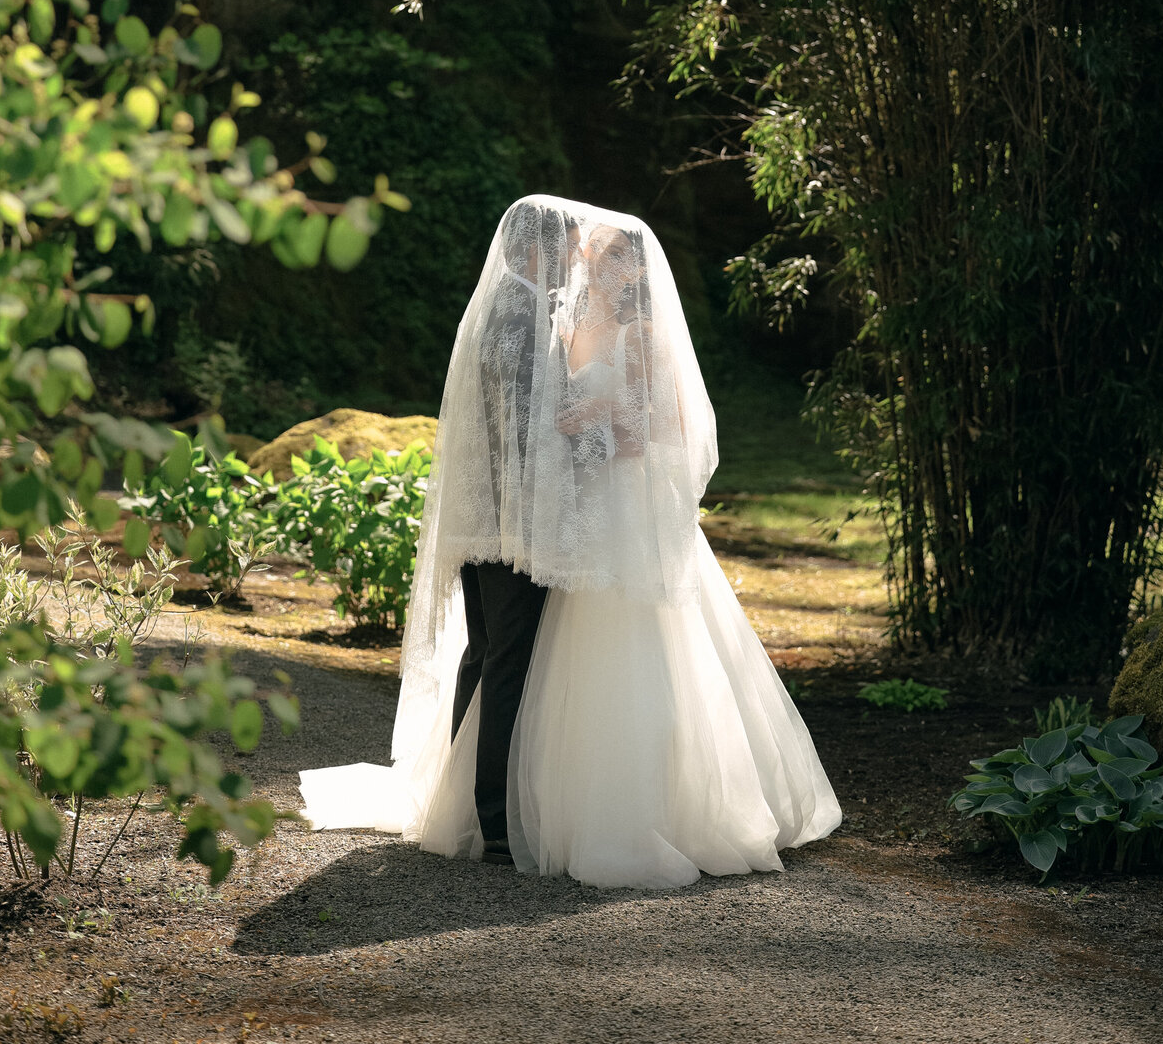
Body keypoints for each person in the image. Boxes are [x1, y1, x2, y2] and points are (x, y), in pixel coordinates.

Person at [299, 194, 841, 888]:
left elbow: (651, 429)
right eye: (581, 242)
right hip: (530, 518)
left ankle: (505, 809)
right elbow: (533, 422)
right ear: (545, 246)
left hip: (583, 517)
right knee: (509, 659)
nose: (583, 249)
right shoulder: (536, 313)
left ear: (631, 267)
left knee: (525, 657)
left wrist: (598, 422)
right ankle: (493, 817)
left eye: (606, 248)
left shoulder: (604, 324)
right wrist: (581, 425)